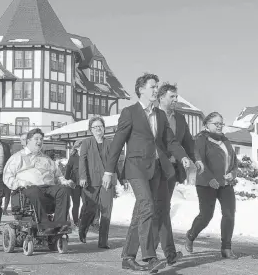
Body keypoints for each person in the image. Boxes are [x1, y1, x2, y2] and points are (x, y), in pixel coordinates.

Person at [108, 73, 192, 273]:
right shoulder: (130, 112)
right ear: (141, 89)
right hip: (136, 168)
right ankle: (149, 256)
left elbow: (170, 141)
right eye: (152, 86)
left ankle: (128, 257)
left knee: (142, 212)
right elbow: (118, 142)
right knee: (146, 206)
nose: (156, 89)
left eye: (156, 86)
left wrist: (182, 156)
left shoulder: (160, 115)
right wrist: (108, 171)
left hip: (156, 168)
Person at [153, 82, 202, 265]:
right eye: (172, 96)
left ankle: (166, 253)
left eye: (176, 96)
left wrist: (195, 159)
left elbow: (188, 142)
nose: (175, 99)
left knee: (163, 209)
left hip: (172, 170)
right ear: (161, 97)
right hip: (155, 168)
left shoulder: (180, 118)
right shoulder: (152, 115)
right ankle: (152, 253)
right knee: (157, 210)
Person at [185, 112, 238, 259]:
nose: (220, 126)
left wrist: (233, 174)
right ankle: (191, 235)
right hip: (206, 184)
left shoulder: (225, 140)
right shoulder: (201, 139)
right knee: (206, 215)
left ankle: (226, 247)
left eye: (221, 123)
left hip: (225, 184)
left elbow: (235, 163)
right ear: (207, 125)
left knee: (229, 214)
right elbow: (198, 161)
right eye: (216, 123)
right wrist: (209, 179)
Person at [3, 128, 74, 234]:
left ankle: (60, 224)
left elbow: (58, 176)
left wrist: (64, 182)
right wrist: (21, 183)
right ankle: (45, 225)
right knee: (34, 190)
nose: (39, 141)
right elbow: (7, 177)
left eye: (41, 139)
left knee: (63, 190)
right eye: (36, 139)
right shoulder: (18, 157)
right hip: (28, 188)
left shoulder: (47, 159)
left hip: (48, 188)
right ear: (28, 141)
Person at [78, 117, 117, 249]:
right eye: (95, 127)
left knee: (106, 209)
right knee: (90, 208)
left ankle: (103, 241)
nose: (98, 129)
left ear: (104, 128)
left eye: (100, 126)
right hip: (90, 180)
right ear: (91, 130)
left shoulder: (110, 143)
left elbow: (114, 161)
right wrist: (82, 177)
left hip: (107, 181)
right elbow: (82, 160)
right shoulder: (86, 142)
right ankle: (83, 228)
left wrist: (121, 179)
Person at [65, 140, 83, 227]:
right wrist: (66, 181)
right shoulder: (73, 157)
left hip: (85, 184)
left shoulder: (87, 156)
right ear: (77, 147)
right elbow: (68, 170)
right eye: (81, 146)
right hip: (75, 184)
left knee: (87, 203)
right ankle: (76, 221)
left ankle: (82, 218)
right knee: (76, 203)